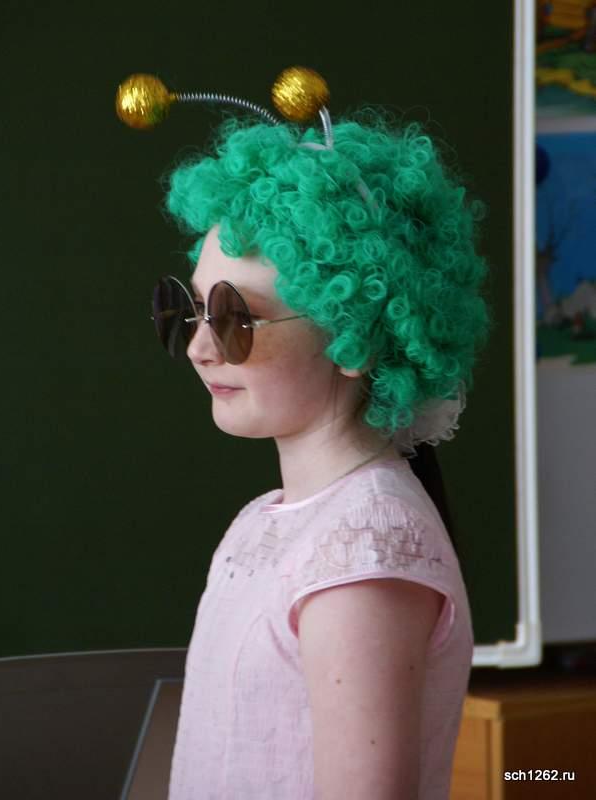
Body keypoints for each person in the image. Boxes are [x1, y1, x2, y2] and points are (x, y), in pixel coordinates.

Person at [146, 87, 492, 799]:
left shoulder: (365, 549)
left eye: (237, 318)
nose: (201, 349)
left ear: (352, 336)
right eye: (193, 309)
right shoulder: (267, 522)